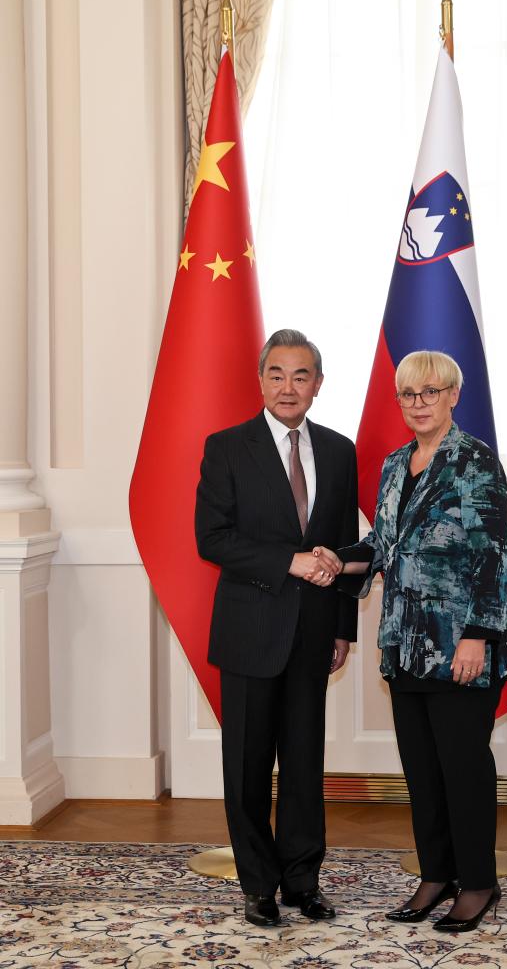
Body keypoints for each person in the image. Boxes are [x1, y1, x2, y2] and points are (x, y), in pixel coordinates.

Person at [315, 350, 507, 933]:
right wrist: (338, 559)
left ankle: (477, 882)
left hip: (460, 647)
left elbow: (491, 555)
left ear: (453, 395)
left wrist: (476, 636)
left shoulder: (475, 460)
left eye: (431, 391)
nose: (419, 403)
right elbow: (382, 544)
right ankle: (436, 874)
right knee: (422, 771)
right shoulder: (396, 464)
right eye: (409, 393)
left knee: (463, 768)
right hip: (404, 645)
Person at [195, 329, 359, 928]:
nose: (288, 387)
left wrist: (343, 627)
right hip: (249, 631)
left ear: (318, 385)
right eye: (277, 374)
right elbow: (212, 539)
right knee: (247, 767)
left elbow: (343, 544)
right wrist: (287, 561)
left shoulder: (339, 451)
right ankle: (258, 886)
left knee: (304, 765)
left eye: (300, 375)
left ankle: (303, 882)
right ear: (261, 380)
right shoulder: (226, 447)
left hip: (314, 633)